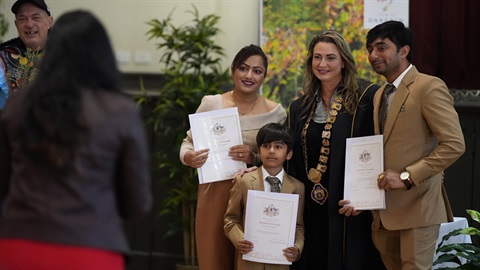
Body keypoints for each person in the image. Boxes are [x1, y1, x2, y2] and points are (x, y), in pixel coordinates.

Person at [0, 10, 152, 270]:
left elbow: (3, 184)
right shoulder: (120, 112)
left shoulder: (16, 106)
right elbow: (137, 204)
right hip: (91, 248)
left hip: (18, 246)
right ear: (102, 55)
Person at [366, 20, 465, 269]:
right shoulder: (380, 93)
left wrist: (408, 177)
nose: (373, 55)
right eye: (370, 49)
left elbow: (454, 144)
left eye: (381, 48)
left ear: (404, 50)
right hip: (384, 211)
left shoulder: (428, 86)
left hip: (418, 205)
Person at [180, 44, 287, 270]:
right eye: (243, 68)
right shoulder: (212, 103)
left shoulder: (275, 112)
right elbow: (187, 142)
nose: (249, 76)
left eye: (257, 71)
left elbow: (281, 157)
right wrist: (189, 157)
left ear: (264, 77)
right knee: (213, 260)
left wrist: (254, 156)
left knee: (249, 262)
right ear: (233, 71)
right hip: (214, 194)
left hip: (254, 196)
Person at [286, 31, 385, 270]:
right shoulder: (300, 107)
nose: (322, 64)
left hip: (351, 207)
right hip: (311, 206)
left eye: (330, 57)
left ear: (343, 61)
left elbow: (383, 147)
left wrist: (366, 199)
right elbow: (290, 159)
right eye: (317, 57)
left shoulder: (367, 97)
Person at [224, 122, 304, 270]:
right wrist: (239, 239)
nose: (272, 151)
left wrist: (297, 248)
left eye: (278, 147)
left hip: (280, 261)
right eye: (266, 146)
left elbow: (298, 226)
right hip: (249, 260)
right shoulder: (244, 181)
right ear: (259, 151)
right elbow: (231, 219)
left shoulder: (297, 187)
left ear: (289, 154)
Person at [0, 0, 53, 108]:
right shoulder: (3, 59)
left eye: (36, 17)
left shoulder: (65, 56)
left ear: (49, 22)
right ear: (16, 24)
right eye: (22, 19)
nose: (29, 24)